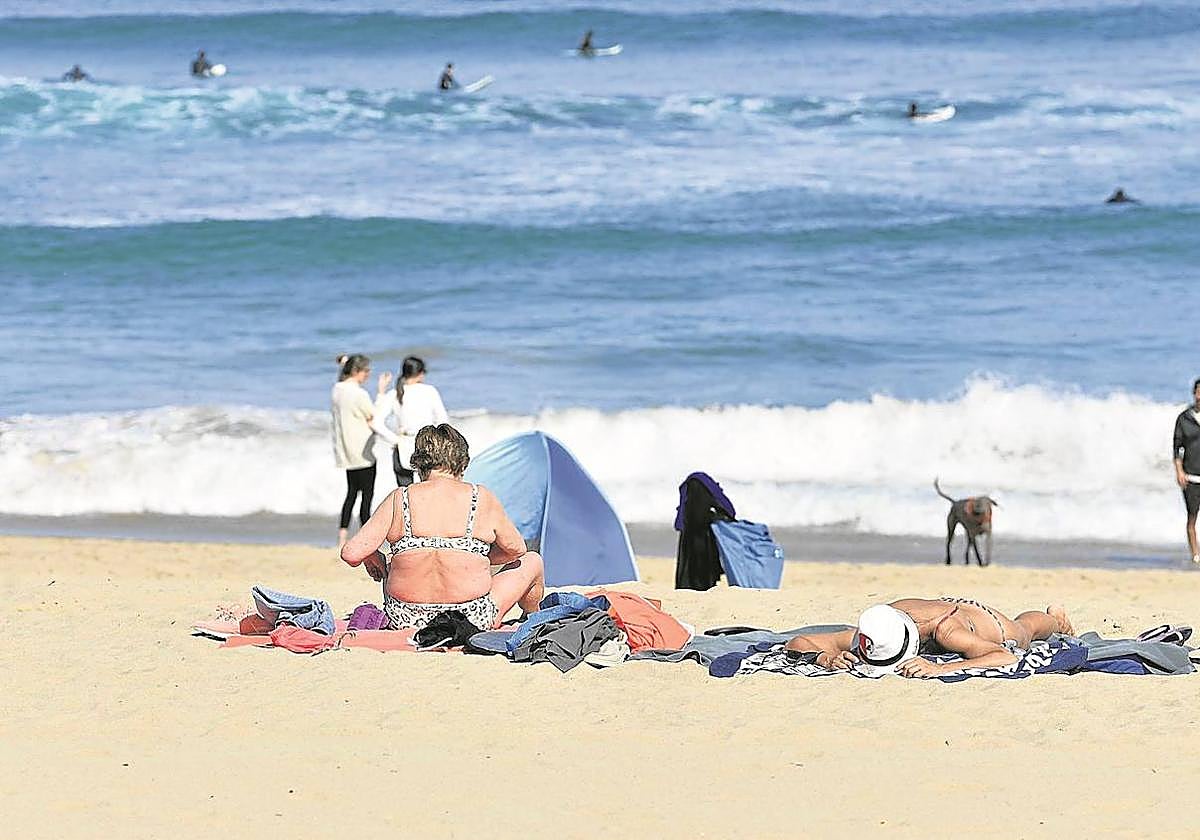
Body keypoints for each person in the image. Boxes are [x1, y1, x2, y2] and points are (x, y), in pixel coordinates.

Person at [340, 423, 545, 633]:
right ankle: (530, 616)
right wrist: (475, 557)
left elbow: (351, 553)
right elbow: (516, 549)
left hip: (405, 619)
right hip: (470, 619)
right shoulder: (480, 497)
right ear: (463, 462)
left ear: (418, 463)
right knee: (532, 560)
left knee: (394, 559)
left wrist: (372, 555)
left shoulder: (399, 498)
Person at [784, 598, 1075, 678]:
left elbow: (1005, 656)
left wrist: (942, 668)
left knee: (1022, 631)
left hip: (979, 620)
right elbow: (798, 643)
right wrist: (825, 658)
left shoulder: (947, 632)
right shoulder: (876, 627)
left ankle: (1056, 620)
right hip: (932, 610)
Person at [331, 354, 399, 549]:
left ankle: (342, 538)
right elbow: (374, 417)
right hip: (363, 452)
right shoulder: (358, 394)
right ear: (356, 371)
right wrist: (381, 391)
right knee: (366, 497)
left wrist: (344, 363)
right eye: (366, 371)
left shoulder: (337, 389)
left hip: (346, 451)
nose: (367, 375)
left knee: (351, 494)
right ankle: (366, 540)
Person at [374, 356, 449, 487]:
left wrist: (395, 440)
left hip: (402, 446)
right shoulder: (430, 391)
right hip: (428, 446)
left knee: (405, 497)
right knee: (428, 492)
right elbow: (443, 421)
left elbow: (376, 423)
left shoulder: (394, 393)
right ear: (420, 373)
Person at [1172, 378, 1200, 564]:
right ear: (1193, 393)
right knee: (1192, 516)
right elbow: (1176, 447)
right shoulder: (1184, 418)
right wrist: (1179, 471)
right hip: (1190, 476)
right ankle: (1195, 555)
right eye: (1198, 392)